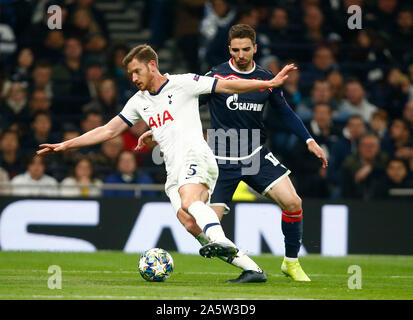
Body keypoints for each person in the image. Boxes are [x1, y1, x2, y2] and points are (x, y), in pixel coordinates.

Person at [37, 44, 296, 280]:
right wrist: (66, 144)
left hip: (197, 156)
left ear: (152, 65)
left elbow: (227, 85)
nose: (134, 78)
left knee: (190, 201)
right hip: (173, 169)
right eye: (130, 75)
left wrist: (267, 83)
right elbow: (108, 130)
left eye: (137, 71)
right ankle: (252, 269)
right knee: (190, 223)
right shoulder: (139, 102)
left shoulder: (184, 83)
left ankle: (220, 239)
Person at [138, 25, 327, 283]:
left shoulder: (265, 78)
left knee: (293, 203)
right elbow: (186, 104)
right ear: (229, 49)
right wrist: (159, 129)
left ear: (255, 49)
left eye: (246, 49)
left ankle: (291, 263)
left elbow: (285, 111)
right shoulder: (217, 76)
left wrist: (308, 139)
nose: (240, 54)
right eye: (236, 50)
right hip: (220, 159)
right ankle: (249, 269)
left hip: (254, 154)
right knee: (207, 229)